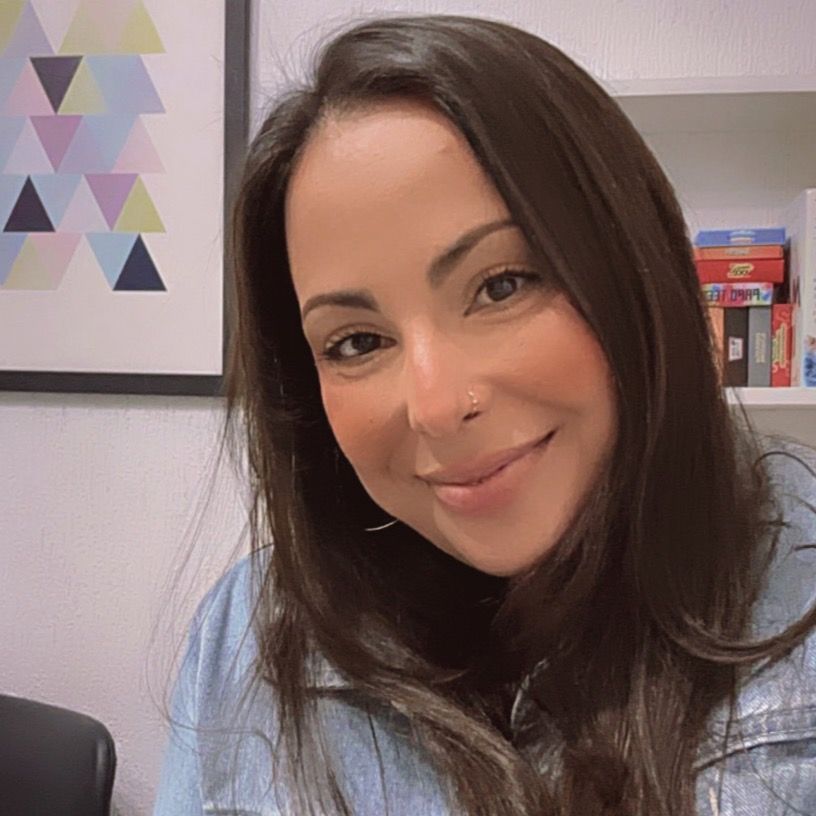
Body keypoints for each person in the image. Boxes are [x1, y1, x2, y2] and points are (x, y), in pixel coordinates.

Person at [152, 13, 816, 816]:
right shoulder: (246, 635)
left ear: (632, 264)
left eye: (501, 286)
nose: (436, 407)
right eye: (357, 342)